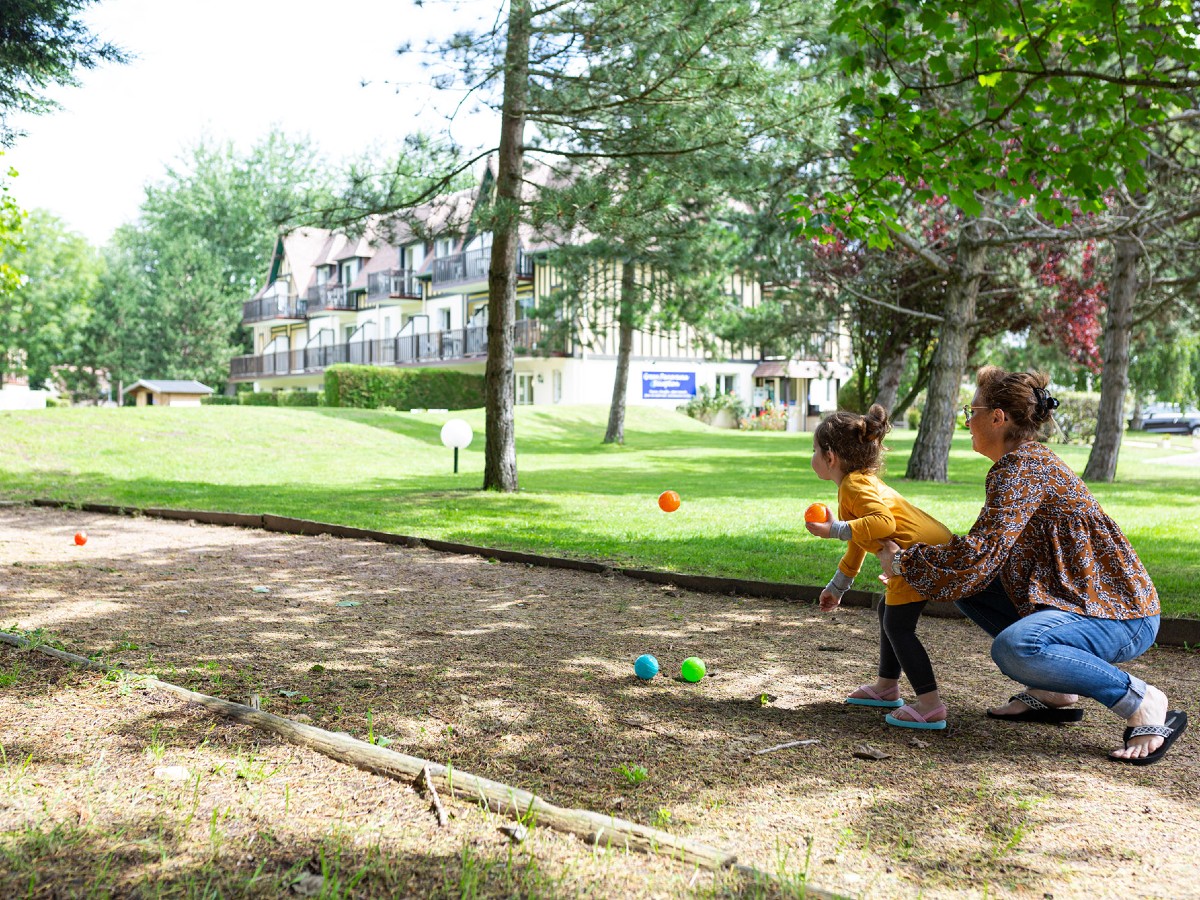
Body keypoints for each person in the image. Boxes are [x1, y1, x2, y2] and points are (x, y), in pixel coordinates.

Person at [879, 366, 1187, 765]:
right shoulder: (1022, 463)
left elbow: (978, 554)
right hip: (1083, 604)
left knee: (1016, 647)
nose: (967, 421)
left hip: (1120, 616)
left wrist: (905, 560)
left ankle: (1142, 700)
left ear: (997, 417)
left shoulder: (1021, 468)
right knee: (966, 587)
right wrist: (922, 564)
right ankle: (1054, 692)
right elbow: (978, 564)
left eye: (971, 411)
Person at [806, 404, 954, 729]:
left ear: (830, 457)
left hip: (917, 556)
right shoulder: (859, 483)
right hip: (925, 550)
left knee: (899, 627)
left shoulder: (854, 487)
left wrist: (833, 529)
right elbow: (860, 542)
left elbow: (882, 524)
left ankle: (930, 704)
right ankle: (886, 687)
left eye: (814, 450)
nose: (812, 456)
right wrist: (837, 588)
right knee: (888, 612)